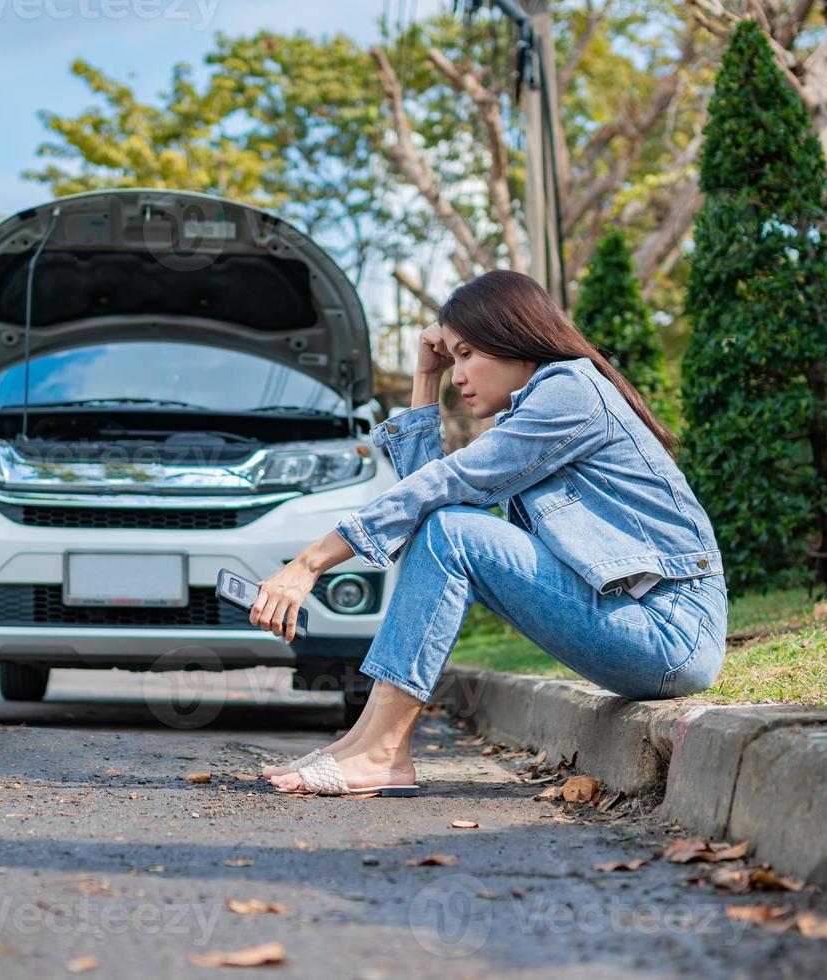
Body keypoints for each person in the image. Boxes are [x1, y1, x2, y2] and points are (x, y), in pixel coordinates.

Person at [248, 269, 727, 797]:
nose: (458, 375)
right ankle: (366, 740)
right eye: (453, 357)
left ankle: (382, 751)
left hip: (668, 633)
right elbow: (427, 508)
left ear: (515, 337)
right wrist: (424, 377)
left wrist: (310, 562)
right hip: (642, 629)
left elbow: (448, 484)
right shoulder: (534, 410)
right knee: (445, 527)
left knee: (454, 532)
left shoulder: (571, 389)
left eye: (468, 353)